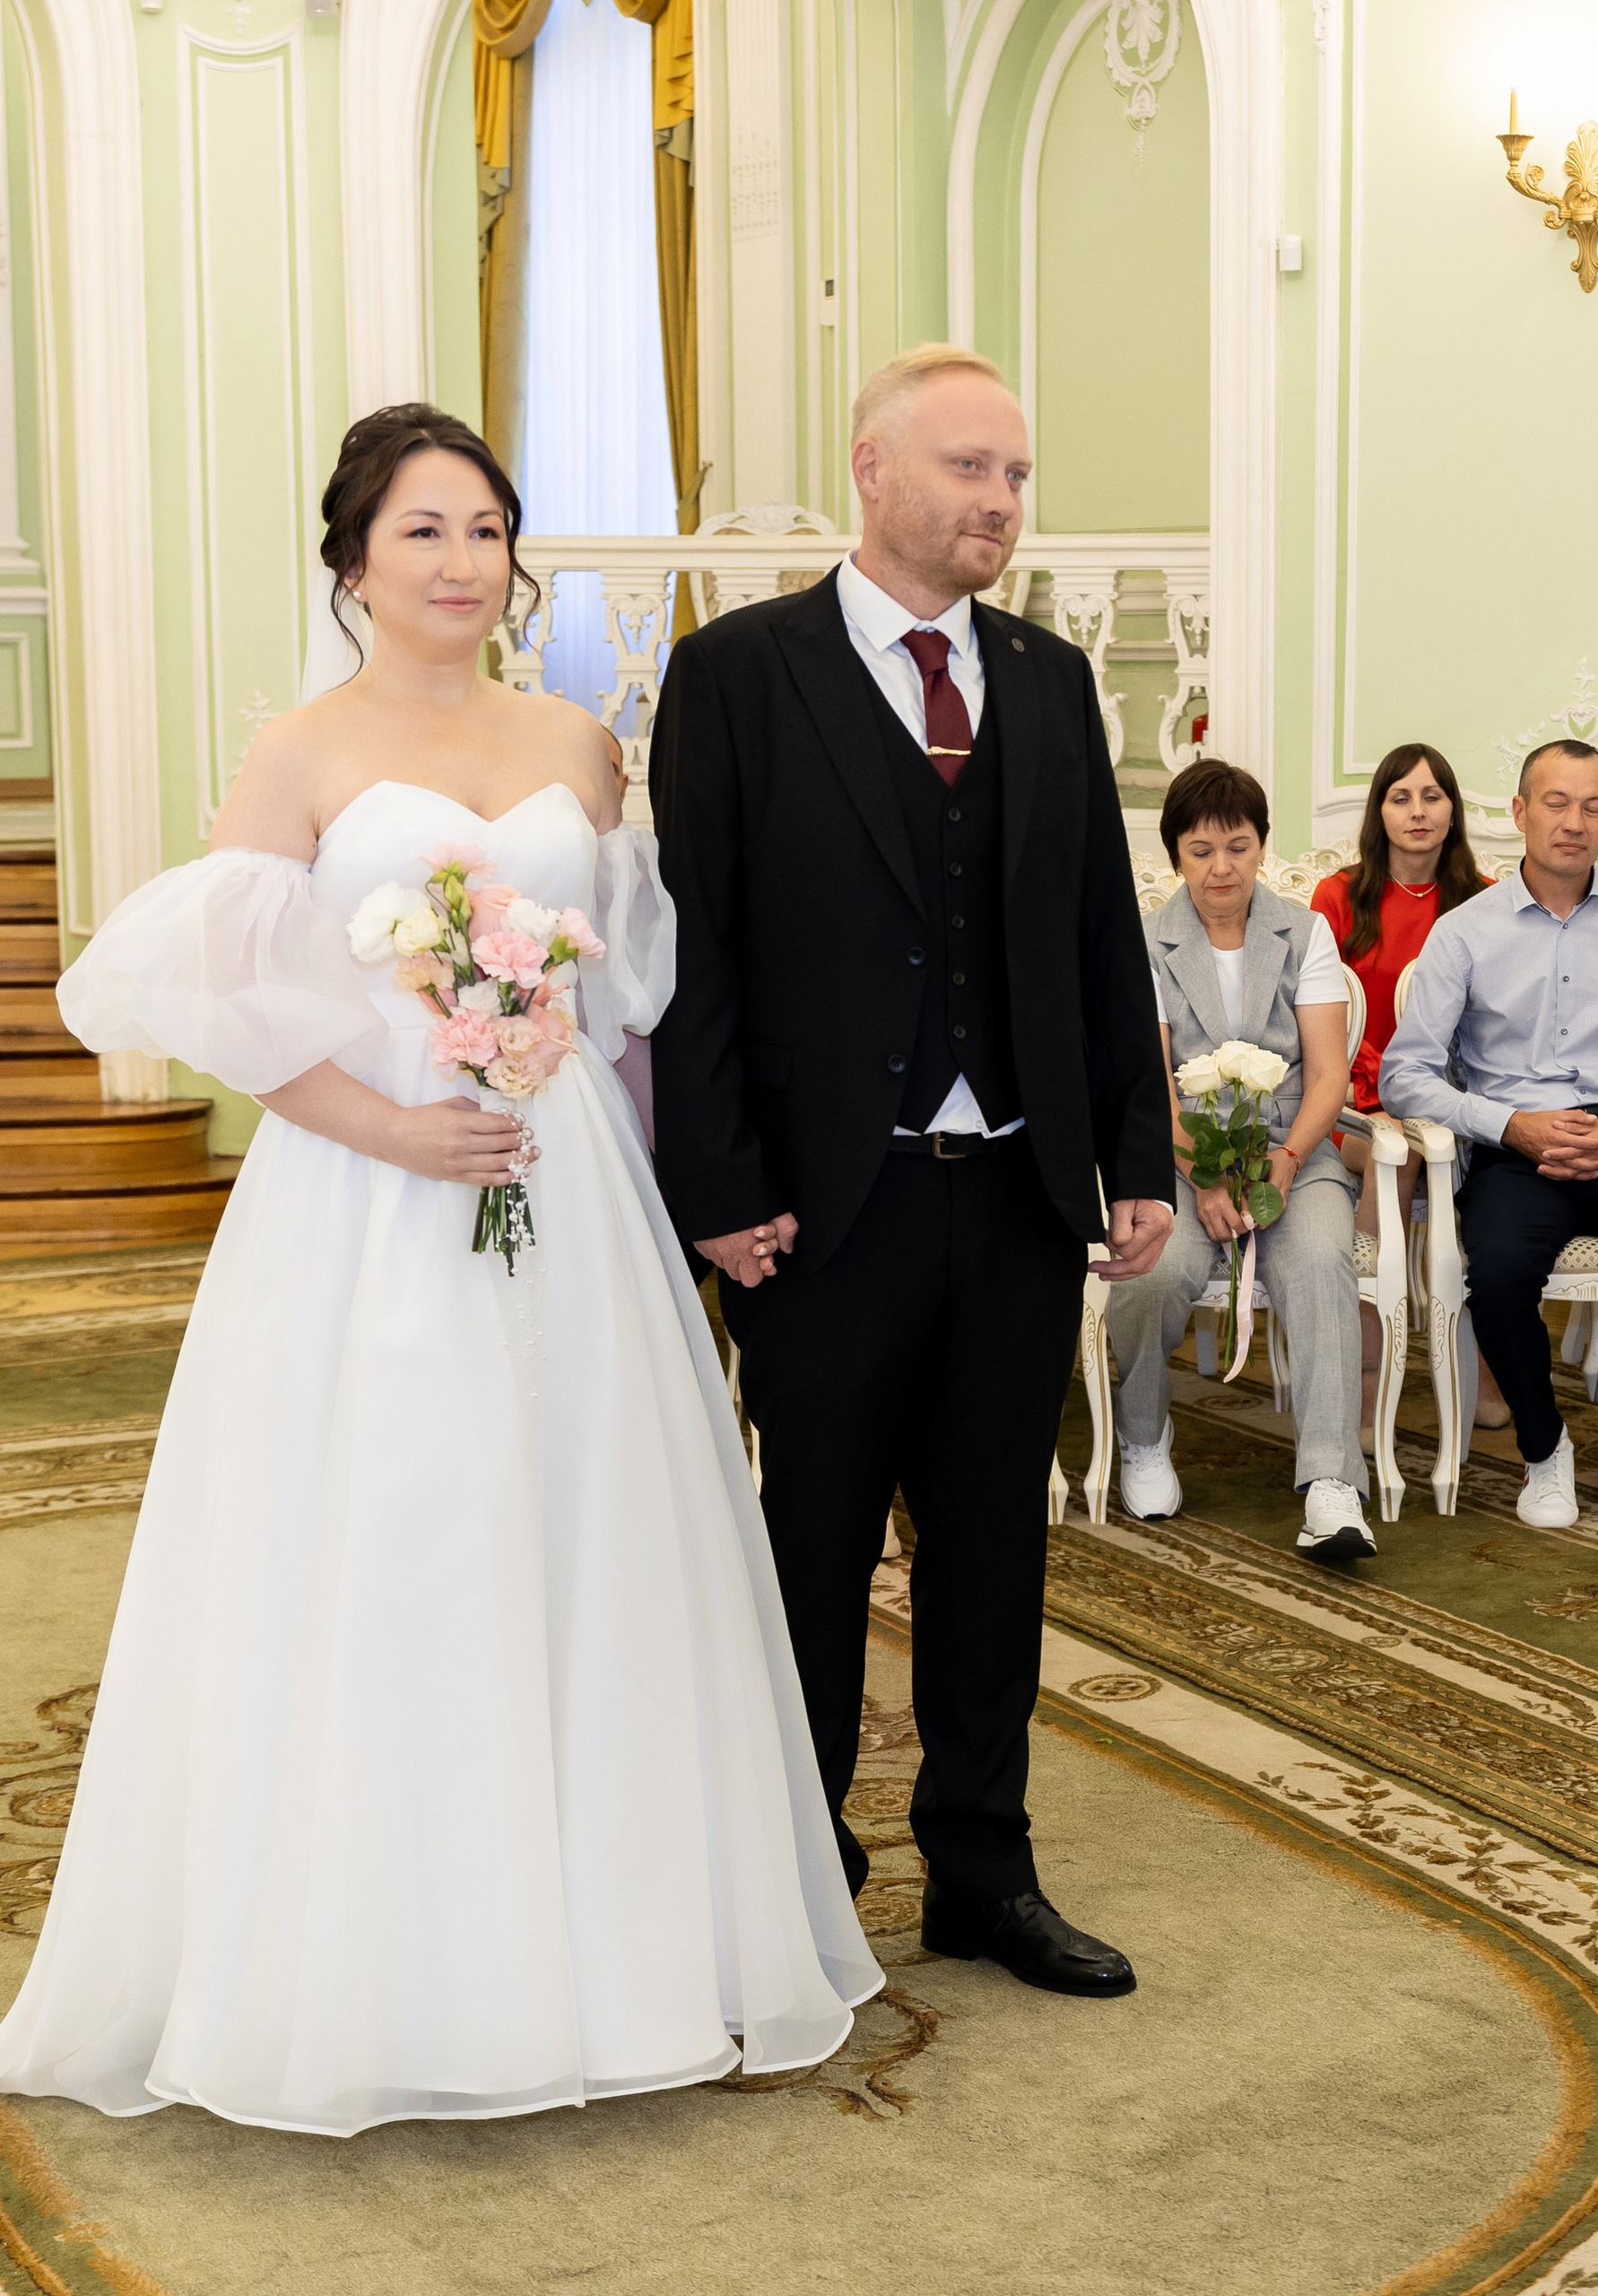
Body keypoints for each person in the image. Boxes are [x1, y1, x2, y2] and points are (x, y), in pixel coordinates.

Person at [0, 406, 879, 2135]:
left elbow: (630, 1001)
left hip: (570, 1190)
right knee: (396, 1527)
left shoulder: (579, 742)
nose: (461, 562)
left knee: (588, 1529)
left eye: (485, 530)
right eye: (422, 530)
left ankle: (613, 1950)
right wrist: (394, 1129)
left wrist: (672, 1172)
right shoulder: (301, 754)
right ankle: (382, 1964)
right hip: (366, 1200)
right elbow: (233, 1006)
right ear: (353, 561)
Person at [649, 345, 1174, 2001]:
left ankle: (982, 1870)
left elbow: (1099, 937)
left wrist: (1134, 1151)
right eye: (969, 469)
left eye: (1015, 476)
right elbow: (697, 957)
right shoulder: (738, 675)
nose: (1001, 503)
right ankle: (796, 1873)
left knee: (992, 1551)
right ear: (872, 469)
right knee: (808, 1549)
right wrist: (717, 1188)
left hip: (1013, 1198)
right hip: (821, 1211)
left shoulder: (1050, 681)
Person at [1380, 738, 1598, 1532]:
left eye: (1593, 806)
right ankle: (1545, 1450)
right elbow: (1406, 1074)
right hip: (1515, 1146)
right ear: (1519, 812)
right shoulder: (1465, 932)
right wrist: (1509, 1125)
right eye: (1556, 803)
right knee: (1501, 1273)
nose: (1574, 822)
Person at [1112, 760, 1373, 1560]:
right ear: (1175, 855)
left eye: (1238, 846)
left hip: (1294, 1147)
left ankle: (1331, 1483)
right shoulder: (1145, 940)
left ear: (1262, 845)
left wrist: (1288, 1160)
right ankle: (1143, 1437)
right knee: (1154, 1271)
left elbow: (1326, 1074)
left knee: (1321, 1261)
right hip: (1179, 1153)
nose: (1221, 867)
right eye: (1200, 851)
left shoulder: (1305, 931)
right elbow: (1150, 1084)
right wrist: (1203, 1175)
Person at [1309, 744, 1507, 1432]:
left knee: (1492, 1171)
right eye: (1401, 797)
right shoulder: (1339, 896)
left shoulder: (1486, 900)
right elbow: (1321, 1017)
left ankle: (1484, 1358)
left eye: (1431, 796)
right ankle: (1366, 1360)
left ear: (1452, 811)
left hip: (1459, 1100)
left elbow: (1499, 1023)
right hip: (1359, 1102)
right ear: (1380, 811)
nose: (1417, 811)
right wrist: (1380, 1086)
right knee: (1402, 1145)